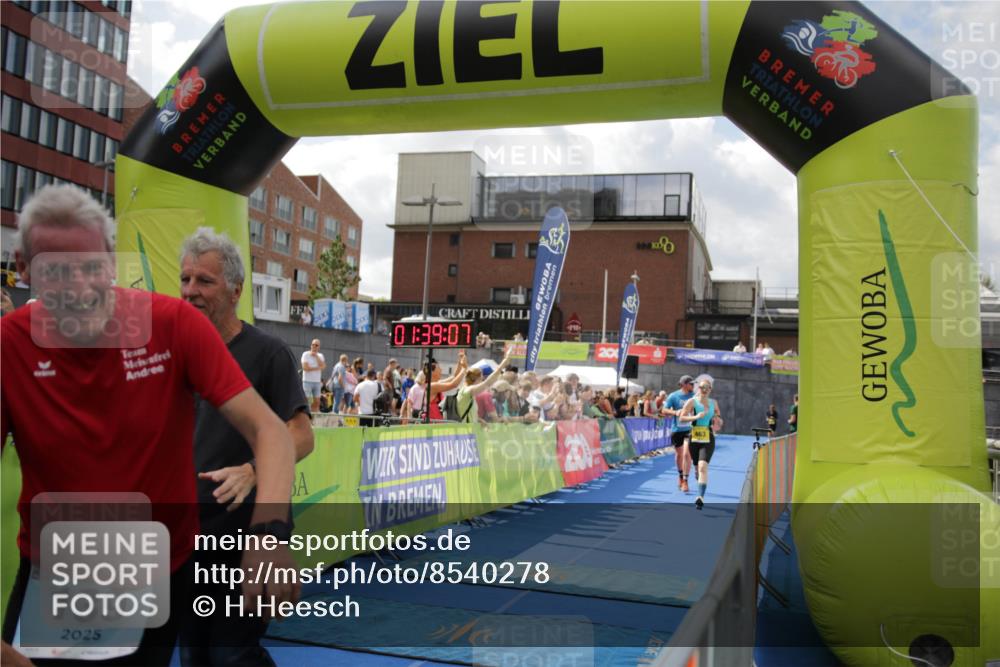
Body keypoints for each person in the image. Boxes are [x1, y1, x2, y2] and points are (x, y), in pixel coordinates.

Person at [0, 186, 298, 666]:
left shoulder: (173, 324)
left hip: (157, 562)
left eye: (89, 267)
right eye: (56, 270)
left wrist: (269, 535)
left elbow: (273, 431)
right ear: (24, 269)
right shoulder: (9, 345)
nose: (76, 287)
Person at [178, 228, 315, 666]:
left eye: (204, 281)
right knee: (195, 654)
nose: (190, 291)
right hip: (185, 534)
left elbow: (301, 434)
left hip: (246, 534)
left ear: (236, 290)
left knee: (231, 656)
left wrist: (254, 469)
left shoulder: (267, 352)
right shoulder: (173, 351)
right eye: (185, 279)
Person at [679, 378, 723, 509]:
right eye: (701, 387)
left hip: (708, 437)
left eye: (706, 387)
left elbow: (718, 415)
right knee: (697, 467)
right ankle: (696, 473)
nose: (703, 390)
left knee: (703, 466)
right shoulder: (692, 401)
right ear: (699, 388)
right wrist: (695, 417)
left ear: (710, 390)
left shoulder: (713, 403)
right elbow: (681, 417)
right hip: (694, 437)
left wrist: (718, 420)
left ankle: (700, 497)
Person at [457, 352, 513, 424]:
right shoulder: (468, 390)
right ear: (477, 379)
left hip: (469, 429)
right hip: (465, 431)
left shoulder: (466, 390)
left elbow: (469, 413)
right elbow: (487, 383)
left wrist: (480, 421)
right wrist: (504, 362)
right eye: (481, 379)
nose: (482, 380)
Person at [664, 375, 696, 492]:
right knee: (679, 455)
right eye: (691, 384)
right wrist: (675, 412)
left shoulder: (695, 396)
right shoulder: (674, 396)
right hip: (677, 430)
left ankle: (685, 481)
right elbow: (664, 410)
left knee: (687, 454)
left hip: (690, 429)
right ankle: (680, 475)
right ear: (683, 384)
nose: (693, 386)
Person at [301, 339, 326, 413]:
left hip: (317, 382)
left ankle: (313, 419)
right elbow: (305, 368)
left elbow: (323, 366)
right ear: (311, 345)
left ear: (319, 347)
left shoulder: (320, 356)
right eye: (313, 344)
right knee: (306, 401)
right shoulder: (305, 354)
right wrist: (318, 368)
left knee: (317, 401)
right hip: (307, 381)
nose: (314, 346)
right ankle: (306, 417)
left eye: (316, 345)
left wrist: (316, 356)